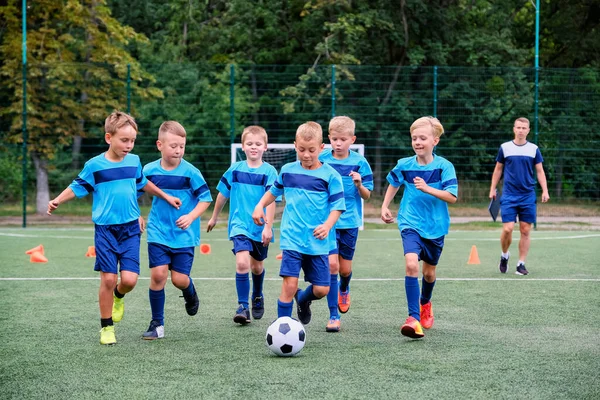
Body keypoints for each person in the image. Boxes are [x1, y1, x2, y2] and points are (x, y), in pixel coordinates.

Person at [47, 111, 181, 345]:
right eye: (124, 140)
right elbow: (77, 186)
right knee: (108, 279)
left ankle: (119, 296)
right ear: (109, 138)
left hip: (130, 229)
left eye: (132, 141)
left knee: (128, 280)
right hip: (106, 231)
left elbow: (142, 184)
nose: (129, 145)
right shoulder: (94, 166)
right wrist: (58, 199)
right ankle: (107, 327)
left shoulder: (134, 161)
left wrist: (166, 196)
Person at [252, 121, 345, 326]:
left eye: (312, 150)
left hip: (317, 242)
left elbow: (338, 206)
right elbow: (273, 192)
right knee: (289, 284)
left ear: (322, 148)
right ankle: (282, 325)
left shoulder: (331, 176)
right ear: (295, 145)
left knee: (322, 289)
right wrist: (259, 205)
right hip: (292, 238)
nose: (306, 155)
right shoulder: (287, 170)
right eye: (302, 149)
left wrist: (328, 225)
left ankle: (303, 300)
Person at [381, 116, 458, 339]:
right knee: (411, 264)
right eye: (414, 138)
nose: (417, 142)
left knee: (429, 273)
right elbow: (394, 183)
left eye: (422, 138)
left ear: (435, 141)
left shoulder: (444, 166)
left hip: (436, 226)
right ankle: (413, 318)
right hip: (410, 222)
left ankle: (425, 303)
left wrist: (427, 188)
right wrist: (385, 206)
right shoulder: (404, 165)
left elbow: (452, 196)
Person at [141, 121, 213, 340]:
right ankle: (157, 324)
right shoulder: (149, 170)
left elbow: (206, 199)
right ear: (159, 145)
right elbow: (132, 193)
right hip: (158, 231)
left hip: (184, 235)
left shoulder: (191, 172)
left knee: (179, 280)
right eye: (173, 146)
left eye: (182, 146)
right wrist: (137, 215)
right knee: (158, 275)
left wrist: (191, 217)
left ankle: (189, 292)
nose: (178, 150)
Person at [206, 125, 278, 325]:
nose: (253, 147)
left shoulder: (270, 172)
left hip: (259, 227)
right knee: (242, 264)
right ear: (243, 147)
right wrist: (214, 217)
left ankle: (257, 294)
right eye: (249, 144)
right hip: (239, 225)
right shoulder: (235, 170)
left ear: (265, 147)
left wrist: (268, 226)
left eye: (257, 144)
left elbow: (271, 200)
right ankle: (242, 306)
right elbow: (222, 195)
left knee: (257, 267)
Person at [318, 116, 373, 332]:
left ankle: (345, 288)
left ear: (352, 139)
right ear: (329, 139)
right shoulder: (321, 158)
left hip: (349, 222)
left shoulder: (360, 163)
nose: (338, 143)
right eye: (334, 139)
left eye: (343, 139)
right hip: (327, 223)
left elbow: (367, 196)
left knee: (344, 269)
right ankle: (333, 315)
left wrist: (359, 184)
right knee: (332, 266)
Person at [489, 117, 549, 276]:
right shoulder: (505, 148)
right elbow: (498, 170)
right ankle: (504, 255)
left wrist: (545, 190)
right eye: (518, 127)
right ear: (514, 129)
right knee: (508, 229)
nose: (521, 130)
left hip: (528, 196)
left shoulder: (534, 149)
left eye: (524, 128)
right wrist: (492, 189)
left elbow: (540, 171)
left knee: (525, 230)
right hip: (509, 195)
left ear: (528, 130)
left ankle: (521, 264)